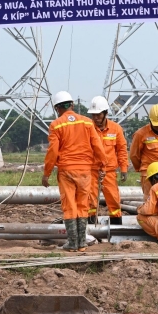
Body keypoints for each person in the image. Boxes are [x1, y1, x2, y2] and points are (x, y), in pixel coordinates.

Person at [42, 91, 107, 252]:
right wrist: (103, 167)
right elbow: (98, 146)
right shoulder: (86, 122)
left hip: (66, 171)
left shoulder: (56, 125)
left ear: (57, 108)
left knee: (69, 206)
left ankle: (72, 243)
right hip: (85, 171)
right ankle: (82, 243)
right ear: (72, 105)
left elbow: (52, 152)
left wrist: (47, 173)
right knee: (82, 205)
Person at [87, 96, 129, 225]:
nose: (95, 118)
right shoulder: (87, 128)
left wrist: (123, 169)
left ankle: (116, 230)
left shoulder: (115, 129)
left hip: (109, 172)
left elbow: (122, 150)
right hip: (92, 171)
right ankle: (91, 231)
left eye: (98, 115)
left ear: (105, 113)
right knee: (90, 202)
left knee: (114, 201)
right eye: (93, 115)